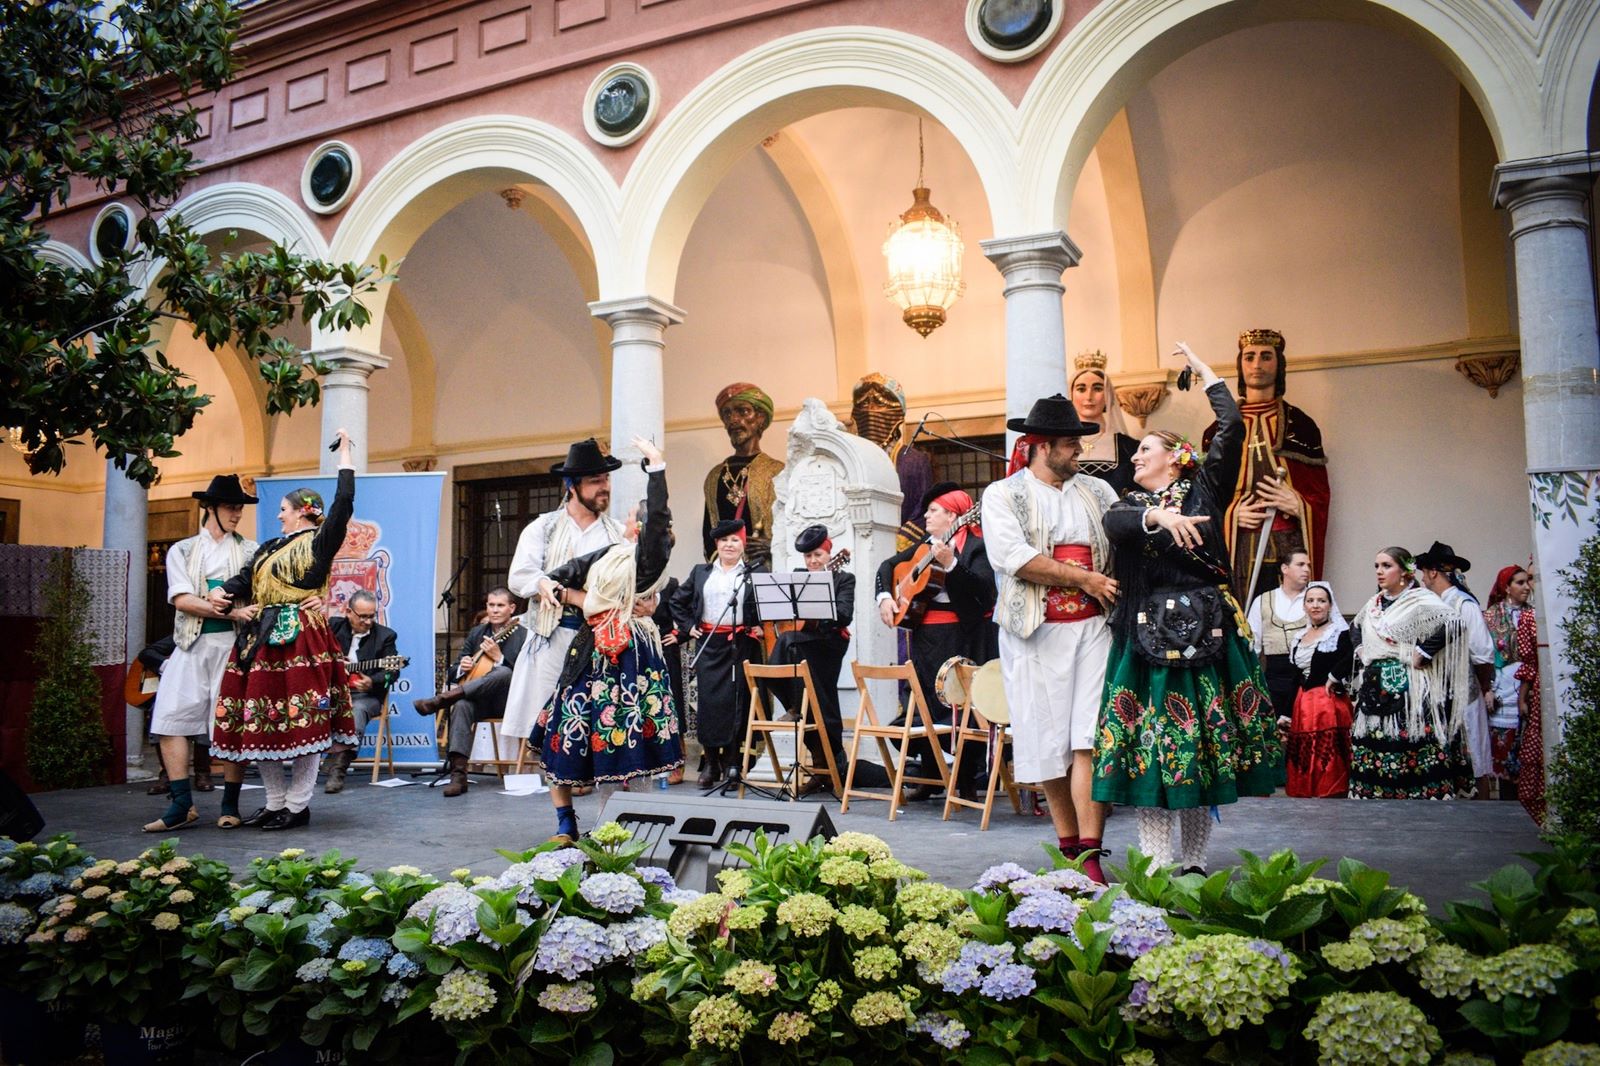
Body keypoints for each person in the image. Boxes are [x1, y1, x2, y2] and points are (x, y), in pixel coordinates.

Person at [1092, 342, 1282, 875]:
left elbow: (1233, 426)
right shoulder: (1129, 505)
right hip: (1148, 637)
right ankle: (1155, 863)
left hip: (1208, 634)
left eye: (1145, 450)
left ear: (1175, 457)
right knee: (1153, 749)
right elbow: (1118, 526)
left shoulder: (1202, 489)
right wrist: (1157, 521)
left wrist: (1205, 374)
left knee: (1197, 750)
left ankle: (1195, 863)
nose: (1134, 457)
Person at [981, 397, 1118, 876]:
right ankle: (1070, 849)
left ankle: (1093, 856)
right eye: (1069, 444)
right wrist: (1083, 578)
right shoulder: (1002, 495)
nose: (1078, 450)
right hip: (1033, 634)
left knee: (1090, 739)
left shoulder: (1099, 491)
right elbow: (1013, 557)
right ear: (1039, 446)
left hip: (1095, 628)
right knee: (1048, 743)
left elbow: (1127, 535)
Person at [207, 430, 361, 831]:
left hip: (301, 635)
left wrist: (345, 456)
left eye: (284, 509)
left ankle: (298, 803)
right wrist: (224, 591)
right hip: (260, 636)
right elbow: (245, 577)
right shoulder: (269, 546)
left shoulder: (320, 540)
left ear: (305, 511)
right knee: (261, 717)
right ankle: (275, 801)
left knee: (302, 717)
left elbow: (343, 503)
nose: (279, 515)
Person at [536, 437, 682, 841]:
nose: (631, 515)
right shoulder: (616, 550)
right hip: (590, 650)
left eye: (640, 515)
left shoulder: (648, 557)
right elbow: (576, 566)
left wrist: (657, 468)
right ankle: (569, 824)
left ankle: (617, 831)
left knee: (621, 742)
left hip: (628, 658)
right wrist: (551, 582)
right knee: (562, 732)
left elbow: (656, 523)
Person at [142, 475, 260, 832]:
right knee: (169, 718)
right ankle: (181, 804)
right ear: (210, 508)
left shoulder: (252, 551)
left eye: (240, 507)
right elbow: (182, 600)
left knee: (231, 723)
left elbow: (260, 597)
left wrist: (238, 612)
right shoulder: (183, 549)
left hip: (233, 647)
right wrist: (225, 608)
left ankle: (230, 804)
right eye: (230, 507)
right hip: (190, 644)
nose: (237, 513)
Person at [500, 439, 626, 768]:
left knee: (593, 720)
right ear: (572, 486)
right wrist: (542, 582)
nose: (605, 488)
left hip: (598, 641)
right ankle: (562, 801)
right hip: (552, 636)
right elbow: (519, 576)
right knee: (549, 721)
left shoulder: (617, 534)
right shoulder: (543, 527)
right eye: (596, 481)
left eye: (607, 480)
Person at [877, 483, 998, 802]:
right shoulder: (923, 545)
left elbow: (984, 591)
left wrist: (953, 565)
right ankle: (930, 774)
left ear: (953, 515)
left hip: (964, 637)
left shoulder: (977, 547)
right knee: (924, 702)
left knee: (962, 705)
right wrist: (885, 597)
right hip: (924, 638)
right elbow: (887, 567)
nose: (926, 515)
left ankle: (968, 780)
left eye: (933, 510)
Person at [1203, 329, 1331, 602]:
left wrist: (1299, 505)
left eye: (1266, 356)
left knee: (1292, 614)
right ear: (1240, 365)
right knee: (1243, 615)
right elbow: (1204, 500)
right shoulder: (1218, 432)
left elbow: (1319, 494)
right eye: (1249, 357)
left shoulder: (1301, 427)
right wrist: (1231, 515)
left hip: (1290, 541)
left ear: (1279, 364)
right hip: (1239, 543)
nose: (1257, 364)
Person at [1348, 546, 1473, 801]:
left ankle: (1419, 802)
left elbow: (1455, 623)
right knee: (1375, 744)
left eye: (1386, 566)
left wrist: (1424, 652)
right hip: (1374, 687)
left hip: (1411, 690)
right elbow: (1355, 626)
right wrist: (1362, 650)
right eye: (1376, 566)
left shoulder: (1420, 600)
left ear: (1404, 571)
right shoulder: (1373, 604)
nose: (1379, 572)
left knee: (1411, 744)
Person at [673, 518, 766, 787]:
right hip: (709, 645)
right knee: (710, 706)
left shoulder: (754, 573)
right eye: (724, 540)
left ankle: (734, 765)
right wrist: (689, 627)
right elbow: (678, 601)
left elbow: (767, 606)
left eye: (735, 540)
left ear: (743, 543)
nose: (729, 545)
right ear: (717, 544)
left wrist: (759, 626)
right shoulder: (701, 572)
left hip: (740, 645)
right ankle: (711, 764)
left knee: (737, 704)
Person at [412, 587, 528, 797]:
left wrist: (499, 657)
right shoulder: (477, 633)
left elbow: (524, 674)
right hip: (477, 698)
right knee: (462, 705)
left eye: (500, 605)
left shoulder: (523, 635)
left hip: (506, 701)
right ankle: (458, 776)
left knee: (503, 672)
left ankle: (440, 700)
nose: (494, 610)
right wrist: (461, 667)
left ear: (512, 608)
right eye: (491, 605)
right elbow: (451, 673)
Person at [767, 524, 854, 793]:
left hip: (829, 643)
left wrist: (821, 604)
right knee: (810, 695)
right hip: (802, 644)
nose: (813, 561)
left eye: (818, 555)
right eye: (808, 557)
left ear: (830, 555)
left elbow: (845, 614)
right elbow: (782, 610)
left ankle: (796, 710)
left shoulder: (843, 579)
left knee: (789, 646)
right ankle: (820, 763)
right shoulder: (798, 577)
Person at [1416, 542, 1497, 799]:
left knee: (1473, 755)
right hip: (1435, 694)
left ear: (1432, 573)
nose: (1421, 577)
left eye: (1423, 571)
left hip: (1463, 692)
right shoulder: (1430, 605)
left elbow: (1483, 655)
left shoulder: (1464, 605)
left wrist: (1482, 686)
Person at [324, 589, 399, 794]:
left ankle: (338, 769)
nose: (367, 621)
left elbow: (392, 674)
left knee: (356, 710)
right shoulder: (332, 627)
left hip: (366, 696)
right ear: (349, 612)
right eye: (362, 616)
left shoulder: (385, 636)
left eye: (371, 616)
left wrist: (373, 681)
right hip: (332, 693)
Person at [1284, 581, 1355, 797]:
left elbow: (1350, 657)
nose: (1316, 605)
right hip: (1303, 703)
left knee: (1326, 749)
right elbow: (1295, 677)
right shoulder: (1299, 638)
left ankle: (1330, 787)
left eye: (1321, 601)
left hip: (1328, 702)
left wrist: (1334, 676)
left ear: (1330, 606)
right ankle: (1306, 787)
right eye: (1310, 601)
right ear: (1304, 606)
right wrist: (1286, 712)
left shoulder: (1339, 633)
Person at [703, 382, 785, 567]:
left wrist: (775, 546)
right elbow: (709, 532)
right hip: (727, 574)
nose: (733, 419)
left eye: (743, 411)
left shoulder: (777, 471)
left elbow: (794, 525)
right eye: (727, 414)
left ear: (761, 418)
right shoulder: (715, 476)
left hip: (765, 570)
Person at [850, 372, 935, 546]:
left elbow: (923, 507)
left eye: (879, 402)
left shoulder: (915, 461)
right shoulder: (850, 460)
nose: (870, 410)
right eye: (864, 403)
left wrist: (900, 542)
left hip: (902, 550)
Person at [1246, 550, 1312, 724]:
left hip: (1308, 678)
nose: (1307, 569)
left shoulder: (1317, 598)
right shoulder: (1262, 600)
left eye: (1308, 565)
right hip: (1275, 678)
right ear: (1285, 568)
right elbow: (1253, 644)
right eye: (1301, 564)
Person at [1484, 565, 1533, 797]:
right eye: (1520, 582)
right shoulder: (1492, 616)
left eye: (1527, 582)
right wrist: (1489, 688)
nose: (1526, 587)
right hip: (1502, 687)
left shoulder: (1532, 614)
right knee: (1502, 751)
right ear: (1506, 587)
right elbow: (1488, 655)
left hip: (1527, 687)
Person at [1069, 350, 1138, 496]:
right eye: (1081, 389)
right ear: (1071, 395)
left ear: (1108, 395)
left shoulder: (1128, 447)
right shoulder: (1057, 444)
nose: (1089, 396)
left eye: (1097, 388)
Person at [1513, 598, 1545, 824]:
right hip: (1541, 689)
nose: (1529, 586)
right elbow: (1529, 664)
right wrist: (1522, 697)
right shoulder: (1530, 618)